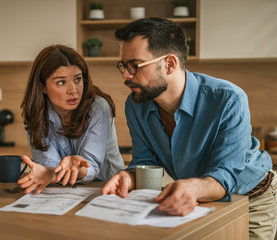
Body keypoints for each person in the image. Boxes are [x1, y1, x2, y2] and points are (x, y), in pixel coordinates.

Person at [101, 17, 276, 240]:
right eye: (123, 66)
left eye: (134, 65)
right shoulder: (135, 104)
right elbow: (145, 162)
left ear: (170, 64)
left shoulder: (228, 99)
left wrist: (193, 188)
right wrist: (130, 177)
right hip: (202, 199)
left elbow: (225, 175)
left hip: (253, 197)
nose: (126, 75)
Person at [19, 44, 125, 194]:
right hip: (65, 190)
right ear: (42, 87)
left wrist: (77, 167)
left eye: (77, 79)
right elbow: (49, 163)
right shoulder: (35, 113)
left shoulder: (98, 108)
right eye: (61, 82)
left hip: (107, 187)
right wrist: (49, 174)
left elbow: (92, 167)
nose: (73, 90)